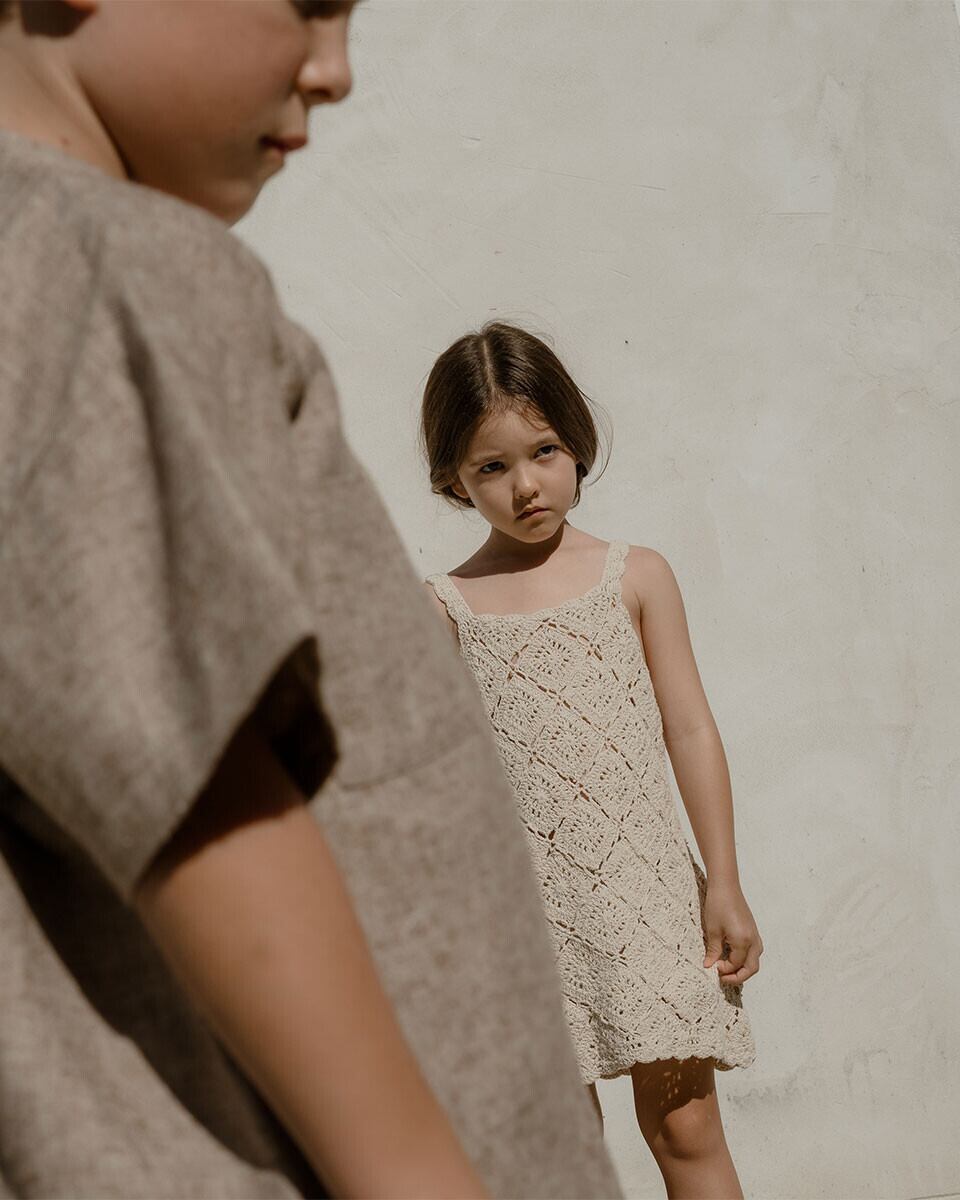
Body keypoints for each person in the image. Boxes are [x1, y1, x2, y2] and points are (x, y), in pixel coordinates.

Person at [0, 5, 623, 1199]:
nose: (333, 70)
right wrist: (418, 1176)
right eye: (306, 2)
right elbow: (195, 782)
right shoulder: (93, 259)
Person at [422, 321, 763, 1200]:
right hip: (521, 921)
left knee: (686, 1128)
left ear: (576, 443)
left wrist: (723, 883)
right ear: (454, 479)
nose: (525, 485)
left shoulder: (636, 576)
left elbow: (691, 731)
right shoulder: (445, 609)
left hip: (647, 900)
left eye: (543, 451)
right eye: (491, 466)